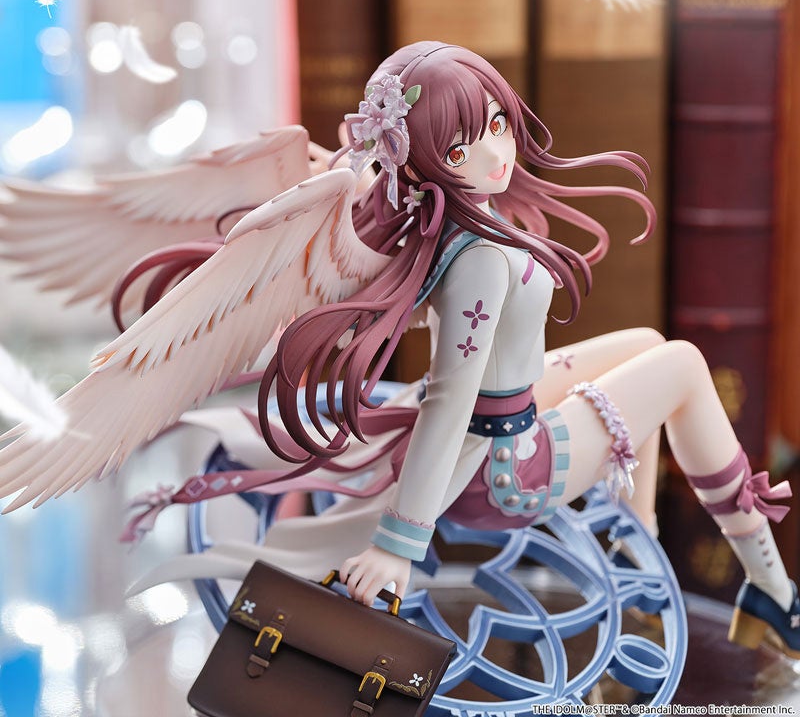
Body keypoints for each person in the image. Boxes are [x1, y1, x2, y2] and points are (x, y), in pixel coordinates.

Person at [0, 42, 795, 658]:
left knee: (650, 345)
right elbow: (453, 399)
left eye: (497, 125)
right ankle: (772, 591)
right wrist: (399, 545)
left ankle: (636, 535)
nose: (496, 154)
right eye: (463, 145)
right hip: (505, 470)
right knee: (684, 365)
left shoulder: (439, 220)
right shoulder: (479, 256)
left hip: (499, 426)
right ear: (421, 155)